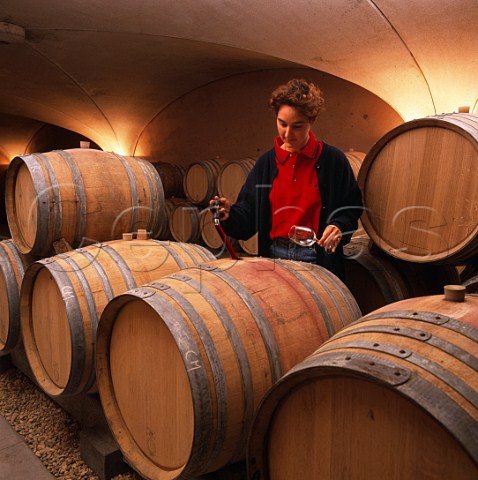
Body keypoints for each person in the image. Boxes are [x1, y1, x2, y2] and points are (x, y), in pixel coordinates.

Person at [210, 78, 363, 280]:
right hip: (274, 258)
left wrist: (339, 226)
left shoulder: (332, 160)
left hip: (317, 257)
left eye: (297, 126)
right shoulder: (266, 163)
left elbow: (351, 207)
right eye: (282, 124)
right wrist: (229, 214)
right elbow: (248, 218)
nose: (287, 134)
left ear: (312, 121)